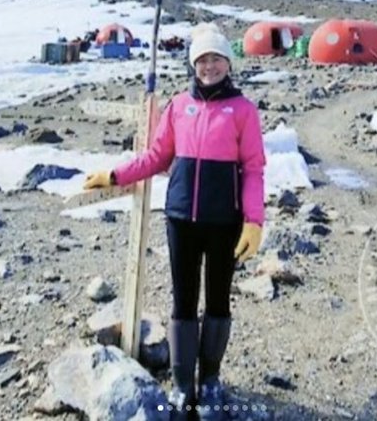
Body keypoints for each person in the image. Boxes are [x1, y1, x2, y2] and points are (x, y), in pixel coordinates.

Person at [84, 23, 266, 419]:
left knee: (217, 300)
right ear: (193, 64)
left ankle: (211, 381)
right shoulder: (178, 107)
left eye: (216, 58)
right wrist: (115, 174)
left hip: (224, 224)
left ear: (228, 63)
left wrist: (254, 221)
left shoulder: (243, 111)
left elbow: (253, 168)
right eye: (202, 59)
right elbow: (156, 156)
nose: (209, 66)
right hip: (181, 219)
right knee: (183, 302)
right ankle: (184, 387)